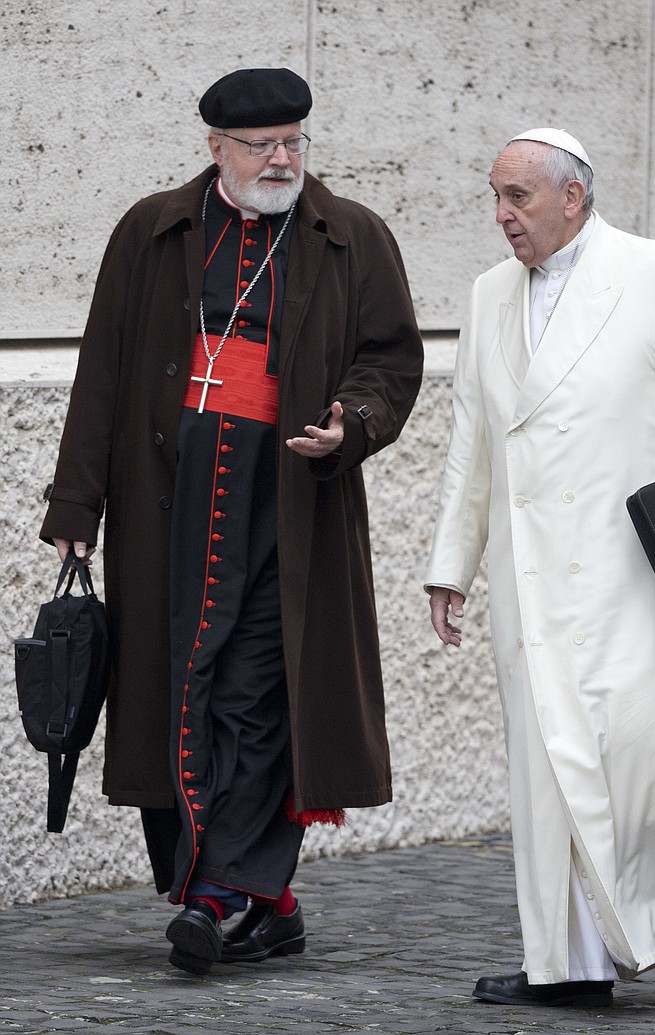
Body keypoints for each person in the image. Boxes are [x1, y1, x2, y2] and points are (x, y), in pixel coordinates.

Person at [40, 67, 423, 975]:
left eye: (294, 141)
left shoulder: (352, 237)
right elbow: (102, 368)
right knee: (179, 687)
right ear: (216, 149)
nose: (283, 159)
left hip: (286, 502)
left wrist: (351, 423)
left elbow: (392, 361)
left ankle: (220, 895)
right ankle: (269, 901)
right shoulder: (151, 230)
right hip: (165, 501)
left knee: (256, 692)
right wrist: (75, 503)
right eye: (263, 146)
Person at [425, 128, 655, 1008]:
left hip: (640, 574)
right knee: (548, 768)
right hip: (531, 580)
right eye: (495, 197)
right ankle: (568, 966)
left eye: (517, 197)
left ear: (572, 197)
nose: (502, 215)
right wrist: (452, 566)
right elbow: (472, 441)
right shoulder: (486, 294)